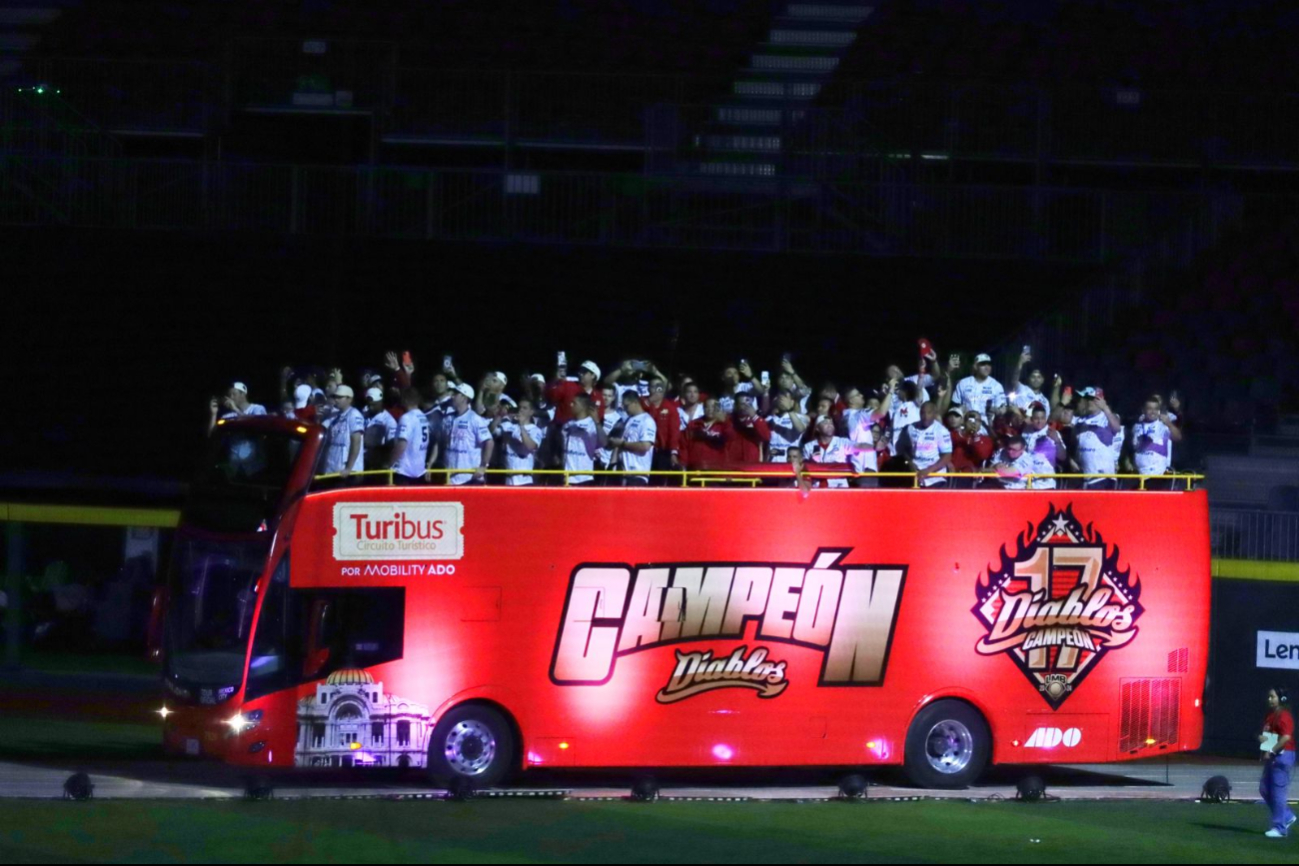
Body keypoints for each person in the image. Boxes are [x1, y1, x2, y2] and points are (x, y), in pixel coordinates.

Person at [433, 382, 493, 485]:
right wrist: (431, 462)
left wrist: (483, 466)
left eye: (456, 394)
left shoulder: (475, 419)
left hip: (470, 477)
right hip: (449, 477)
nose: (452, 396)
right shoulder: (447, 418)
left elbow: (489, 441)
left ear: (464, 397)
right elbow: (439, 442)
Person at [1260, 687, 1296, 838]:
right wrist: (1264, 750)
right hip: (1273, 755)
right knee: (1264, 789)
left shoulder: (1284, 715)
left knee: (1278, 792)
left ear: (1281, 698)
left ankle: (1280, 828)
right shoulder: (1270, 715)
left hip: (1283, 755)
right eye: (1269, 697)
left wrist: (1272, 751)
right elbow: (1269, 735)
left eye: (1273, 697)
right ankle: (1286, 816)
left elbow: (1286, 737)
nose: (1270, 699)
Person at [1071, 387, 1122, 489]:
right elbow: (1055, 418)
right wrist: (1064, 403)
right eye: (1086, 399)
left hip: (1103, 477)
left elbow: (1117, 428)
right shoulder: (1080, 420)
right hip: (1086, 476)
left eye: (1092, 399)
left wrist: (1105, 408)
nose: (1089, 402)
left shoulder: (1107, 417)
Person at [896, 401, 953, 487]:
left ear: (934, 414)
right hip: (914, 474)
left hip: (935, 478)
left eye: (929, 413)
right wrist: (909, 462)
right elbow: (904, 449)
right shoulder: (910, 428)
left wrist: (928, 471)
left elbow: (947, 456)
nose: (925, 416)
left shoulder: (941, 431)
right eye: (923, 413)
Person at [1131, 396, 1183, 489]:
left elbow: (1178, 437)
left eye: (1155, 409)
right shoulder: (1136, 426)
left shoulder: (1163, 426)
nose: (1153, 412)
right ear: (1143, 410)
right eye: (1149, 409)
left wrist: (1169, 423)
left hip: (1157, 475)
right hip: (1139, 475)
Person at [492, 397, 544, 486]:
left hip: (524, 480)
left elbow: (530, 446)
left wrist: (521, 426)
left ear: (531, 412)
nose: (521, 410)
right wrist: (500, 415)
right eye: (519, 407)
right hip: (507, 479)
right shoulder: (508, 426)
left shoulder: (536, 430)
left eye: (525, 408)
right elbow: (492, 431)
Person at [610, 389, 657, 485]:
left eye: (626, 406)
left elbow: (645, 446)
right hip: (622, 473)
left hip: (637, 475)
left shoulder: (647, 421)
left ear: (635, 402)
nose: (624, 408)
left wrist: (623, 444)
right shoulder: (628, 420)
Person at [320, 385, 365, 482]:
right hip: (332, 469)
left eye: (340, 397)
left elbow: (356, 441)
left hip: (347, 472)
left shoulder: (354, 415)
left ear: (349, 399)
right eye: (335, 397)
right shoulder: (334, 415)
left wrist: (349, 468)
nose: (336, 400)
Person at [388, 388, 430, 486]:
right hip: (420, 471)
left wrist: (390, 463)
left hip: (404, 471)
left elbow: (402, 444)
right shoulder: (423, 417)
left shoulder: (407, 418)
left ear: (404, 400)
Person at [562, 393, 603, 486]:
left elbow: (604, 443)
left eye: (574, 403)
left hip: (583, 478)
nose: (570, 405)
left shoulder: (591, 424)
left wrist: (597, 422)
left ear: (583, 406)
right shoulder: (568, 424)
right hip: (567, 477)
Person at [953, 353, 1007, 424]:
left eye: (989, 364)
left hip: (987, 426)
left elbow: (1003, 408)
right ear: (975, 366)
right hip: (966, 424)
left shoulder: (996, 385)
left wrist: (997, 411)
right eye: (983, 364)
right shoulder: (963, 383)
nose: (987, 367)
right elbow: (955, 404)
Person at [802, 415, 853, 488]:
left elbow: (858, 447)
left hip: (838, 486)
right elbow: (805, 466)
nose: (829, 425)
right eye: (825, 423)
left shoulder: (842, 442)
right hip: (816, 485)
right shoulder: (809, 446)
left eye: (831, 423)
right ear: (817, 428)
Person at [362, 387, 398, 469]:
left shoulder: (388, 420)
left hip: (378, 462)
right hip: (362, 460)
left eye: (373, 404)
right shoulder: (363, 414)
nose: (370, 407)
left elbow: (392, 444)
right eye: (369, 404)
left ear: (380, 402)